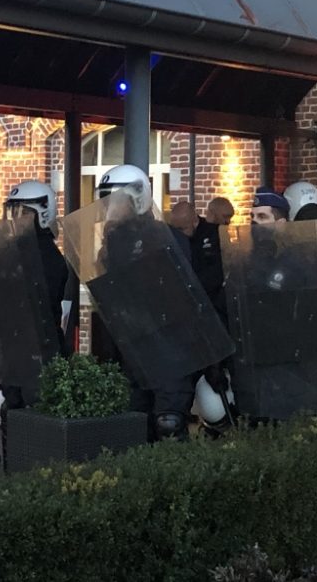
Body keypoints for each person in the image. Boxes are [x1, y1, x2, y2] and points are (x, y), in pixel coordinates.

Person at [95, 164, 198, 441]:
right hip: (132, 347)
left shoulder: (167, 237)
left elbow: (181, 292)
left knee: (169, 424)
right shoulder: (112, 242)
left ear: (137, 198)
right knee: (131, 424)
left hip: (170, 345)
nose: (108, 209)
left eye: (113, 201)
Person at [0, 180, 69, 465]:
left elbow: (40, 304)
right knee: (11, 408)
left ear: (42, 212)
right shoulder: (16, 249)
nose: (16, 219)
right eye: (13, 212)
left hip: (38, 346)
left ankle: (31, 472)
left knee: (33, 412)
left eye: (22, 212)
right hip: (16, 343)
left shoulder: (47, 256)